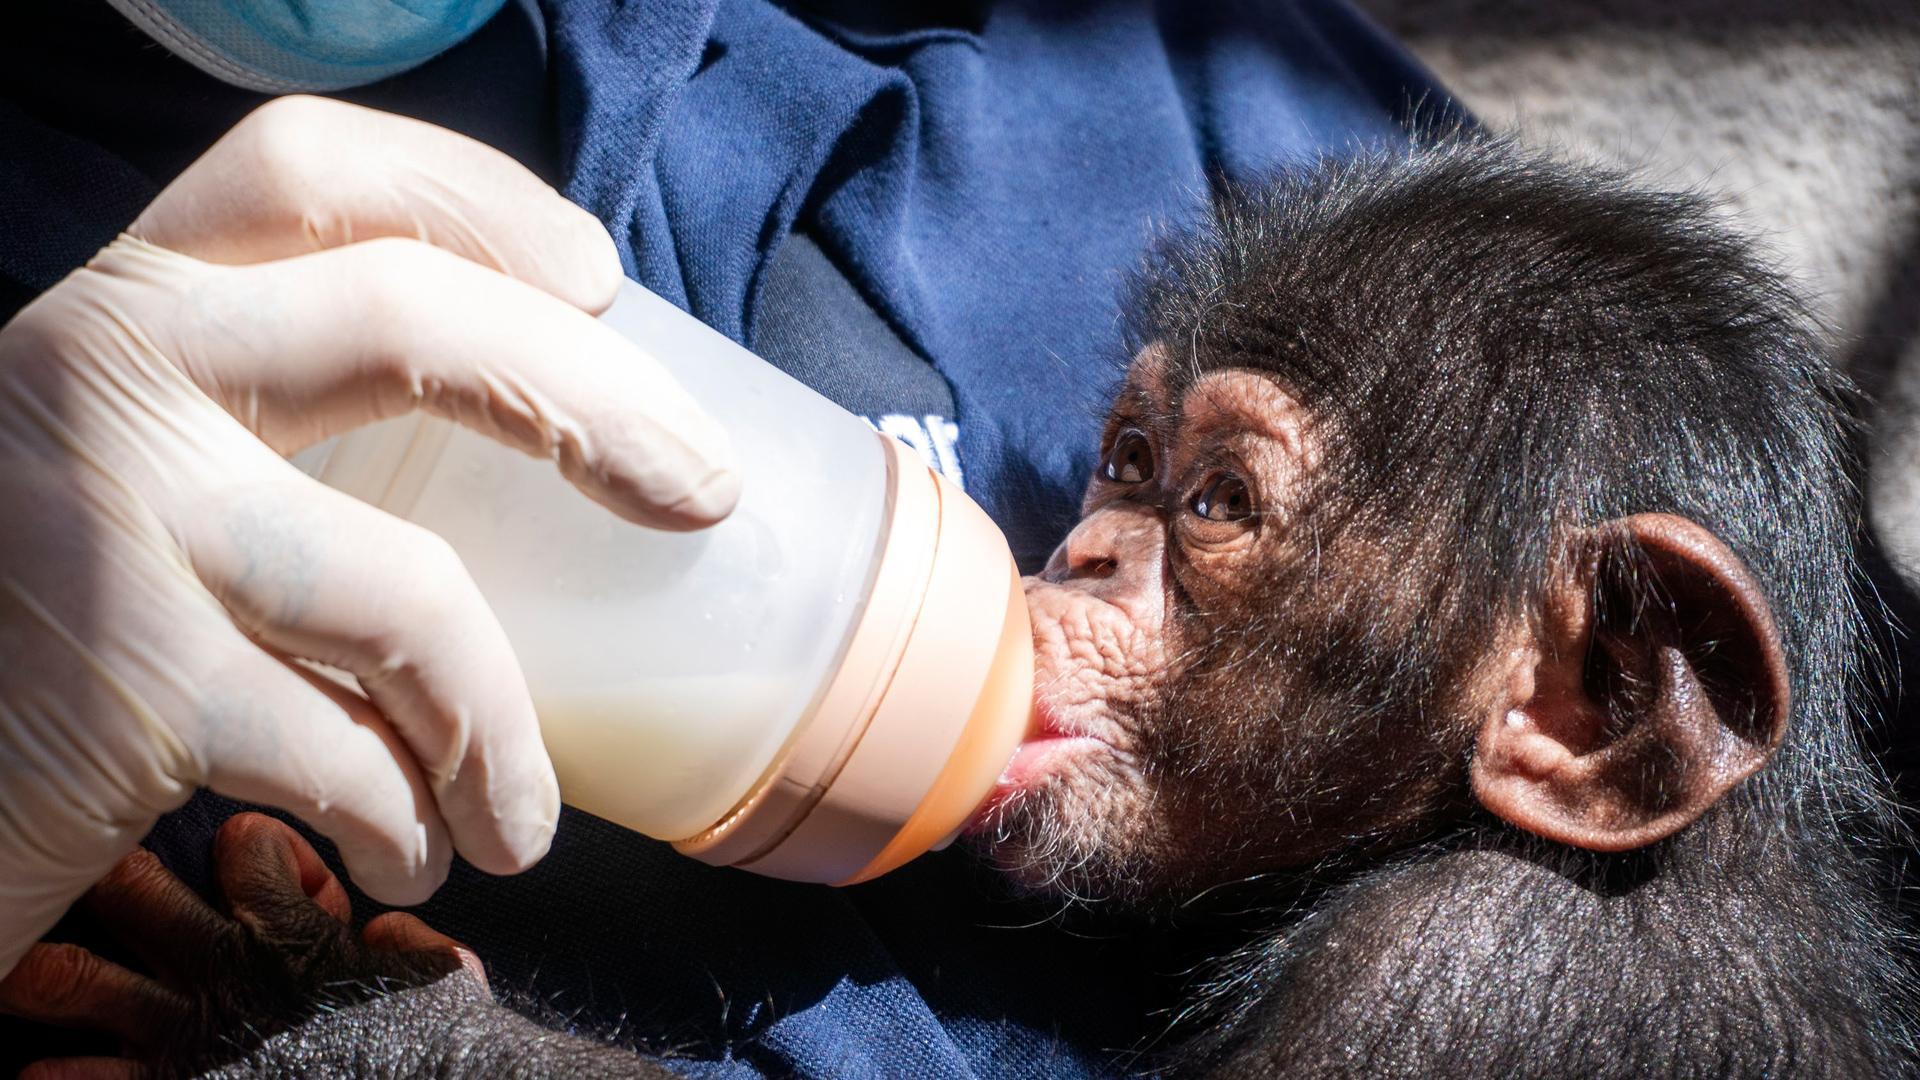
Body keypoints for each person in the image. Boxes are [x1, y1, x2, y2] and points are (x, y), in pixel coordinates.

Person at [0, 1, 1456, 1074]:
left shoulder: (1198, 108)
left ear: (1584, 727)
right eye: (1124, 463)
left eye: (1216, 501)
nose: (1077, 543)